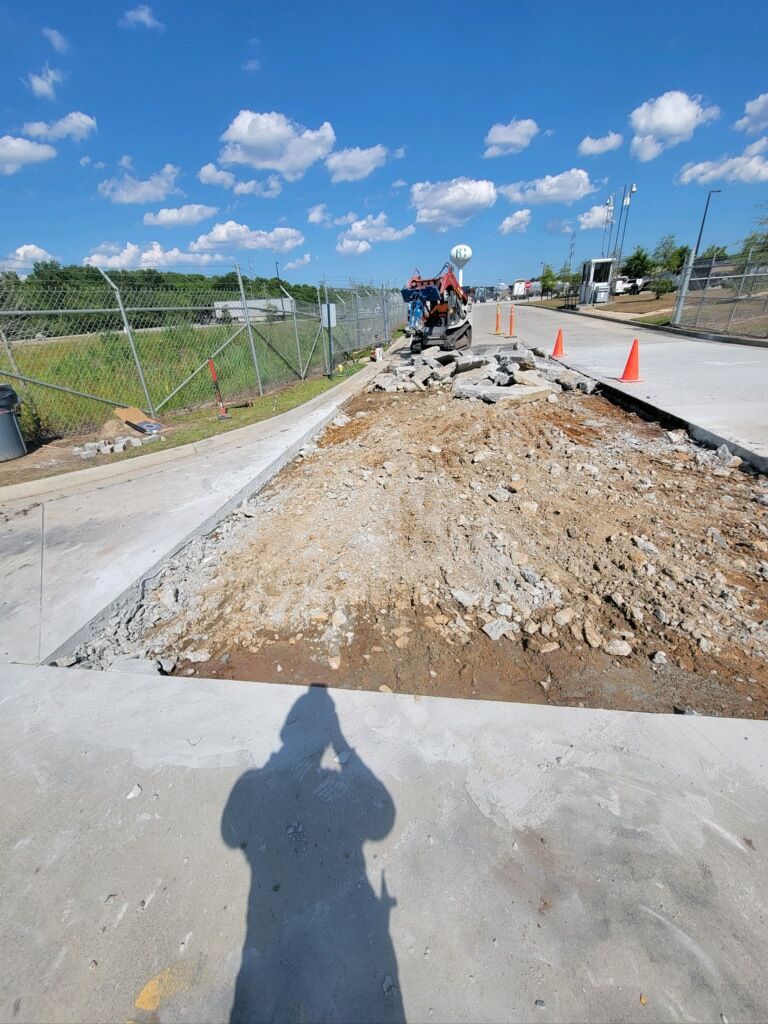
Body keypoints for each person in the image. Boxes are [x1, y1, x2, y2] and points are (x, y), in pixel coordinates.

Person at [221, 686, 403, 1024]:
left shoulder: (252, 782)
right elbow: (382, 823)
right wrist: (342, 744)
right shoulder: (316, 782)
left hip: (266, 925)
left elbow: (230, 835)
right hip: (339, 924)